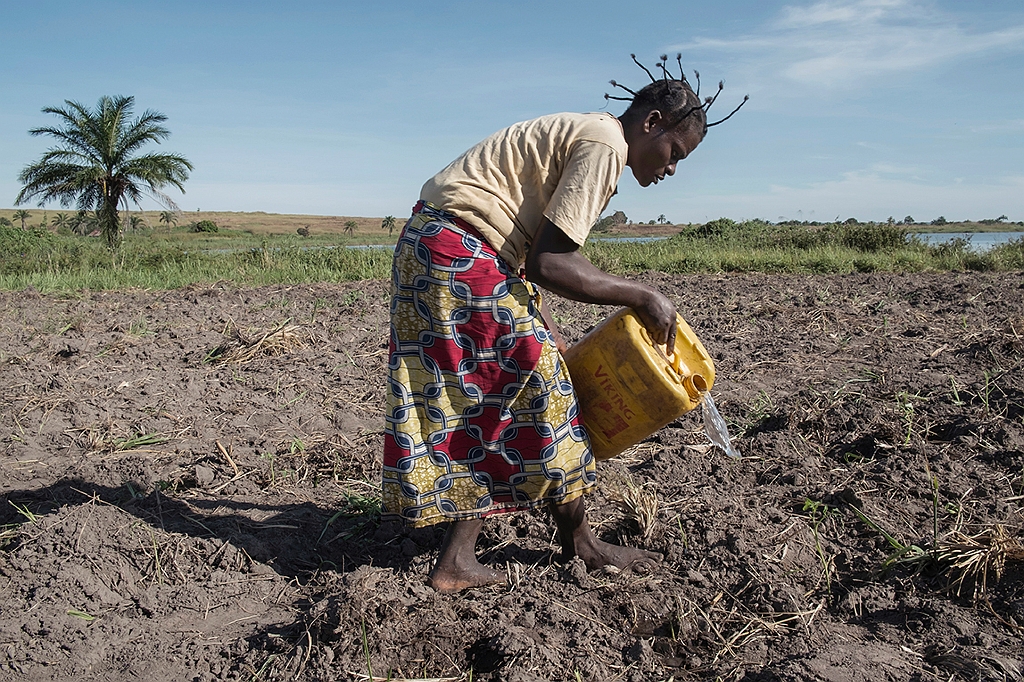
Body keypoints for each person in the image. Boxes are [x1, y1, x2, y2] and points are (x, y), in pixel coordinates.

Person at [383, 54, 746, 593]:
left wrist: (540, 320)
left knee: (519, 386)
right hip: (459, 252)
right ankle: (493, 556)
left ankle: (570, 541)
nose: (671, 168)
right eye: (674, 152)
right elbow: (551, 263)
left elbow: (528, 253)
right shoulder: (605, 143)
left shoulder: (589, 137)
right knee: (527, 391)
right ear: (651, 124)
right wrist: (643, 295)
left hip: (443, 247)